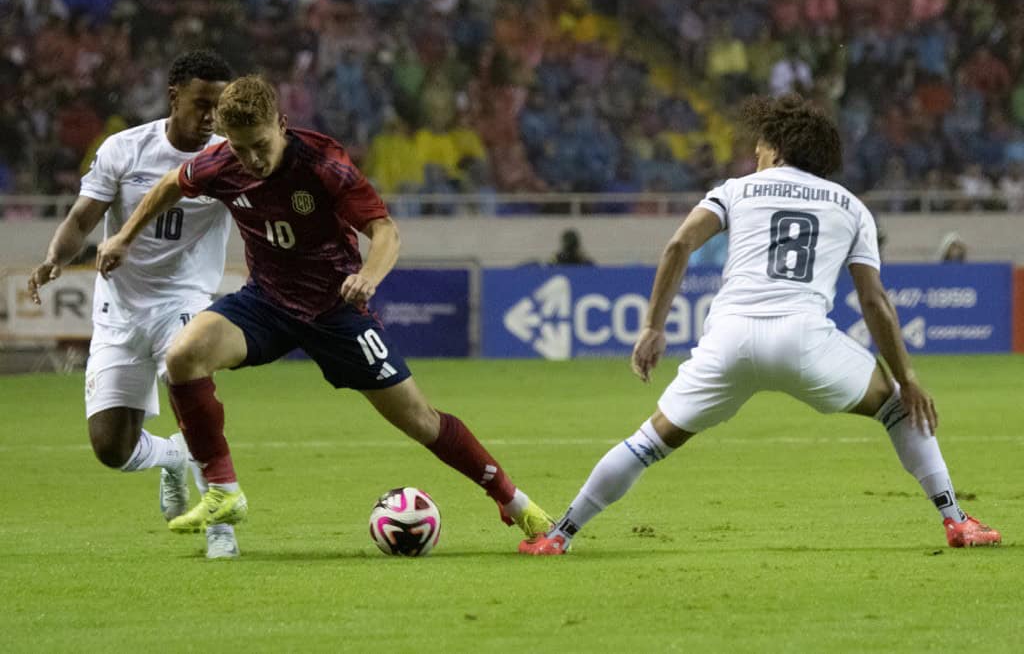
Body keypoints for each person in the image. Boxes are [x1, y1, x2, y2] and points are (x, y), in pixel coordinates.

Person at [520, 94, 1001, 555]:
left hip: (729, 340)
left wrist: (652, 327)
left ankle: (560, 534)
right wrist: (908, 378)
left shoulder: (735, 190)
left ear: (776, 148)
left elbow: (679, 246)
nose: (754, 156)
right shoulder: (851, 206)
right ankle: (957, 520)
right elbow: (874, 301)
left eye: (759, 148)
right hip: (805, 342)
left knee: (649, 440)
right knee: (898, 407)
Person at [95, 75, 551, 541]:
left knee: (420, 420)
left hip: (335, 310)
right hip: (267, 302)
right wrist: (123, 237)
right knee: (183, 356)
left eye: (260, 145)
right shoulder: (221, 163)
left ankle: (516, 503)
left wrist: (368, 277)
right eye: (239, 148)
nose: (251, 159)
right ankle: (223, 490)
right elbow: (171, 183)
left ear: (282, 125)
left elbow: (385, 231)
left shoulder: (323, 163)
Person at [27, 50, 241, 559]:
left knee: (191, 389)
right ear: (174, 97)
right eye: (200, 104)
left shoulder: (229, 159)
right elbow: (83, 218)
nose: (209, 117)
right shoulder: (124, 149)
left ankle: (221, 525)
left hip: (184, 299)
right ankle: (172, 456)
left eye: (218, 107)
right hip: (119, 308)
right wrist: (56, 258)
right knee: (111, 448)